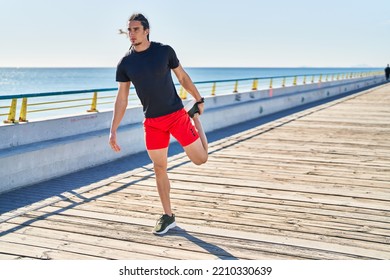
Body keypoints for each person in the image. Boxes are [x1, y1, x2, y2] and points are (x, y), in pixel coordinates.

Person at [109, 13, 208, 235]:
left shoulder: (164, 51)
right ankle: (168, 215)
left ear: (146, 30)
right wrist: (113, 129)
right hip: (153, 122)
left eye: (135, 29)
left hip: (177, 115)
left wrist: (198, 99)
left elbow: (182, 77)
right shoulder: (125, 63)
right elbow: (122, 99)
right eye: (129, 30)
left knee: (200, 160)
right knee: (159, 167)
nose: (131, 34)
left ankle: (196, 119)